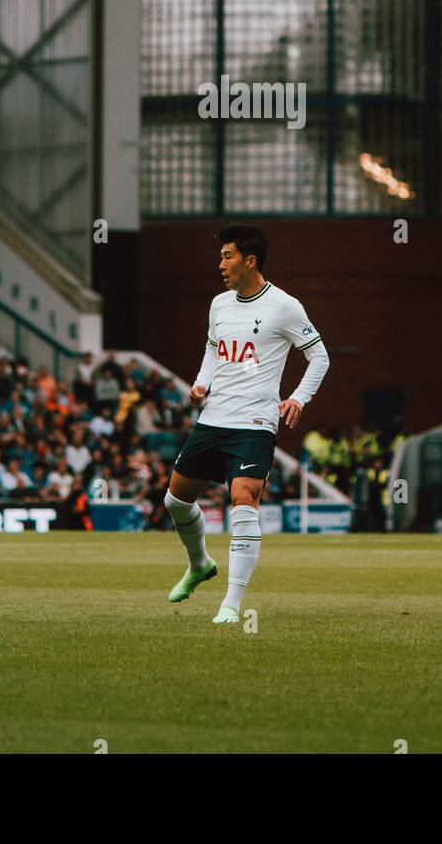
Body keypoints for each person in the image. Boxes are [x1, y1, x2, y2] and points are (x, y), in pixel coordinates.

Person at [164, 224, 329, 624]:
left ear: (250, 260)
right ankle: (200, 564)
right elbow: (211, 348)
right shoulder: (219, 304)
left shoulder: (284, 306)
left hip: (255, 422)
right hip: (214, 417)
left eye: (228, 256)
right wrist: (203, 381)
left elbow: (320, 356)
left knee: (243, 504)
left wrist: (297, 398)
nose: (220, 264)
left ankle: (231, 606)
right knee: (175, 500)